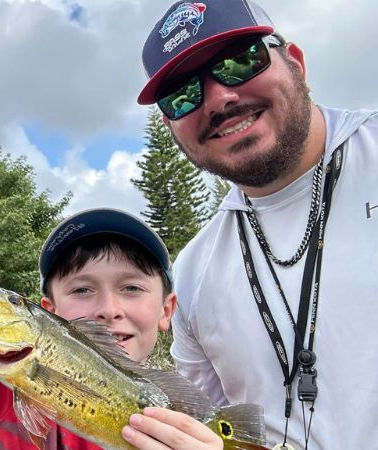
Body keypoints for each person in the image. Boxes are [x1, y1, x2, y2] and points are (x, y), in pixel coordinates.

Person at [137, 0, 378, 448]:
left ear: (297, 64)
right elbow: (201, 422)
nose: (219, 99)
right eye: (182, 95)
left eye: (239, 62)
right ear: (171, 127)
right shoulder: (190, 275)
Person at [0, 208, 228, 450]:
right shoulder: (11, 375)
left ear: (166, 310)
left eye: (131, 288)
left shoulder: (180, 426)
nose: (108, 309)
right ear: (51, 312)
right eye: (82, 290)